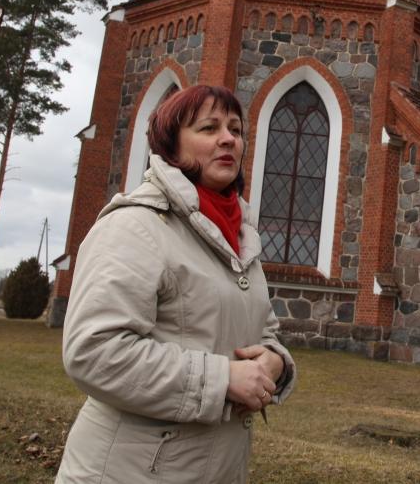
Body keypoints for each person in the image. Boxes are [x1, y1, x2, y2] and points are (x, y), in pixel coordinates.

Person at [56, 84, 296, 483]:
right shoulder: (136, 225)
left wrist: (275, 363)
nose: (228, 139)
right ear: (170, 145)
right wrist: (223, 380)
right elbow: (93, 352)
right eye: (208, 128)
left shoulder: (240, 238)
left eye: (236, 130)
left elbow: (262, 330)